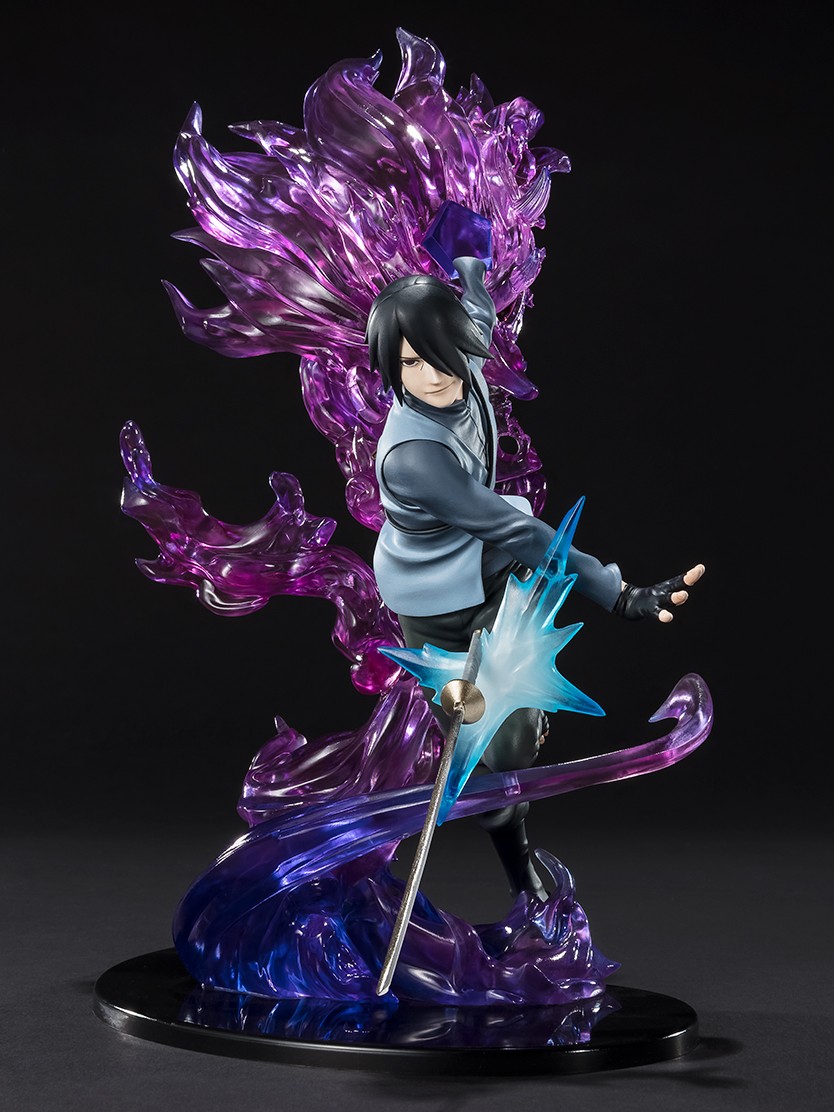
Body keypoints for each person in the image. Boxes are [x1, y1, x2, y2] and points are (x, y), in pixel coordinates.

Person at [366, 251, 705, 902]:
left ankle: (521, 749)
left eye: (439, 355)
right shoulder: (413, 458)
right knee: (482, 755)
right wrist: (620, 593)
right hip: (436, 608)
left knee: (512, 743)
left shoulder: (463, 360)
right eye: (409, 363)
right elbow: (516, 530)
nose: (430, 376)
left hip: (497, 580)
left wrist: (470, 266)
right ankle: (521, 878)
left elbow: (479, 316)